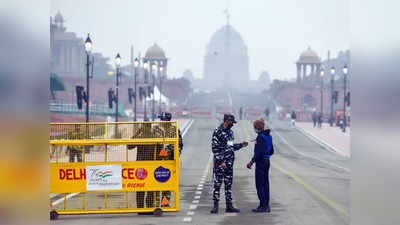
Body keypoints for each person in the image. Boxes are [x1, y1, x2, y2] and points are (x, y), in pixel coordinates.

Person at [210, 114, 248, 214]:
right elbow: (215, 149)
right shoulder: (218, 131)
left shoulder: (230, 132)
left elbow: (230, 146)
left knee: (228, 185)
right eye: (232, 122)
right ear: (227, 121)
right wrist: (221, 161)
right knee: (217, 184)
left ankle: (229, 206)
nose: (233, 125)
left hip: (229, 163)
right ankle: (215, 206)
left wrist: (241, 145)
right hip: (220, 164)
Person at [247, 118, 273, 213]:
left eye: (254, 127)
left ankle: (263, 206)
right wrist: (266, 155)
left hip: (261, 162)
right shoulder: (268, 136)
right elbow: (271, 151)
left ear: (257, 127)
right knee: (266, 184)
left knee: (259, 185)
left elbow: (259, 152)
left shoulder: (260, 137)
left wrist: (251, 161)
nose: (254, 129)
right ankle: (266, 205)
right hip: (267, 161)